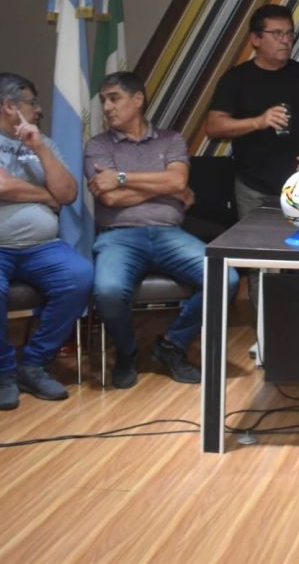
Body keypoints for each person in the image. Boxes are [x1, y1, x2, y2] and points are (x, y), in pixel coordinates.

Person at [85, 72, 238, 389]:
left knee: (226, 279)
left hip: (169, 233)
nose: (107, 107)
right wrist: (166, 189)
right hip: (118, 236)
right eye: (103, 101)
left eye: (114, 98)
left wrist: (122, 178)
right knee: (108, 291)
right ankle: (127, 352)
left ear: (138, 99)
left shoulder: (171, 140)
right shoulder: (97, 145)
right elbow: (109, 198)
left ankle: (172, 345)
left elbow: (177, 181)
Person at [206, 3, 299, 317]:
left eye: (289, 34)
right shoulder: (236, 79)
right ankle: (265, 331)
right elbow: (214, 126)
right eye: (276, 34)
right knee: (260, 263)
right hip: (253, 186)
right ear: (255, 39)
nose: (285, 40)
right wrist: (258, 121)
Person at [0, 73, 93, 409]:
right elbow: (2, 186)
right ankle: (4, 372)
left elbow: (67, 194)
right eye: (32, 103)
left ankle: (33, 364)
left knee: (79, 276)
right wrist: (44, 195)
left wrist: (39, 148)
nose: (38, 110)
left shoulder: (46, 144)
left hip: (42, 247)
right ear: (9, 106)